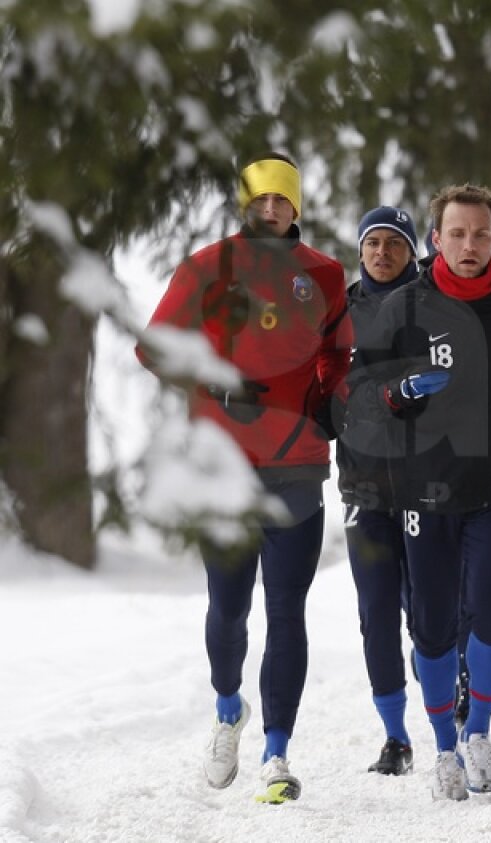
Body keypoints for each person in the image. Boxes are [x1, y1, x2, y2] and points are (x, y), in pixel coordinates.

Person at [137, 153, 351, 803]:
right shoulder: (207, 268)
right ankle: (230, 708)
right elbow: (153, 346)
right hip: (222, 466)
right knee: (228, 608)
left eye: (282, 200)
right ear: (244, 204)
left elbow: (339, 356)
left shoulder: (324, 274)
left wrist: (330, 398)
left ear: (297, 207)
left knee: (287, 609)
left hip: (295, 464)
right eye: (260, 199)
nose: (270, 210)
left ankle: (277, 752)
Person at [347, 183, 491, 800]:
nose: (470, 245)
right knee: (433, 630)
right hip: (424, 491)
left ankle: (480, 734)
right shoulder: (403, 308)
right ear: (436, 239)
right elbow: (360, 396)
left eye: (481, 234)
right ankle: (443, 749)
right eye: (458, 234)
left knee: (489, 615)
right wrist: (398, 393)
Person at [336, 206, 422, 777]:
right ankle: (395, 737)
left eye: (395, 243)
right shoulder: (337, 311)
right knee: (375, 615)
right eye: (374, 243)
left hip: (429, 483)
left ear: (413, 251)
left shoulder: (436, 305)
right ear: (360, 251)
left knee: (431, 612)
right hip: (363, 484)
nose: (383, 253)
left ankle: (448, 694)